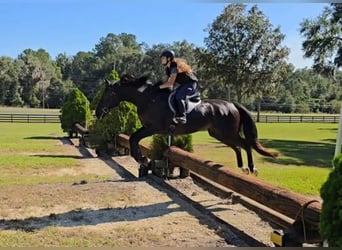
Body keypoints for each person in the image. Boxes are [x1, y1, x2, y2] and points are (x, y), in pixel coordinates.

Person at [158, 49, 198, 124]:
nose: (161, 60)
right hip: (183, 85)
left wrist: (158, 88)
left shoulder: (174, 68)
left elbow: (170, 83)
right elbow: (167, 83)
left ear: (169, 59)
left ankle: (183, 116)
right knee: (172, 95)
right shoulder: (168, 68)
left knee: (179, 97)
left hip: (191, 84)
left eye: (163, 58)